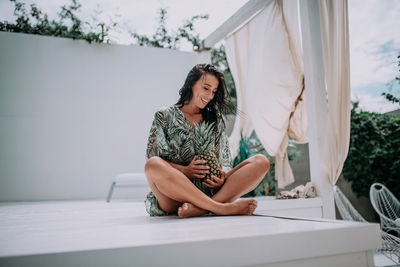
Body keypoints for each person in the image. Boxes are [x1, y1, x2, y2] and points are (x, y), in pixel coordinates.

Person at [144, 63, 270, 218]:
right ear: (191, 84)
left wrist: (222, 174)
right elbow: (153, 157)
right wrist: (186, 170)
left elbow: (224, 160)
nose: (210, 96)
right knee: (153, 165)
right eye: (206, 88)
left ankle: (201, 209)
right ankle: (221, 208)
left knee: (261, 161)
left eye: (214, 91)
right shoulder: (164, 116)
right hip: (174, 195)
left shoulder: (214, 119)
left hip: (210, 190)